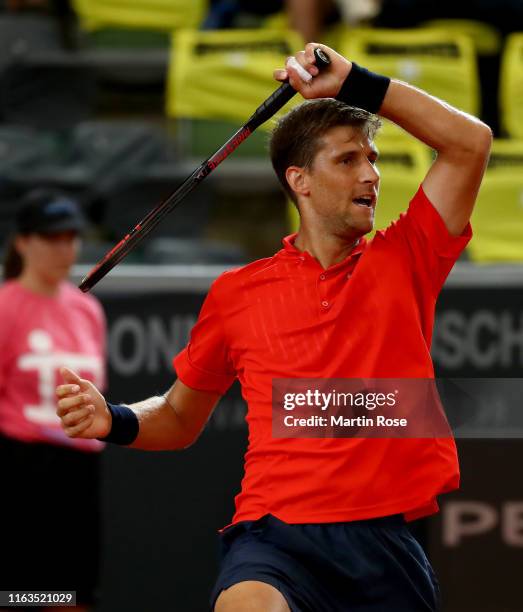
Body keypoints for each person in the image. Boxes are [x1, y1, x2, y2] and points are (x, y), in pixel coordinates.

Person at [55, 43, 492, 611]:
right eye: (348, 160)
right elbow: (180, 416)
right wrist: (111, 419)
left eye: (373, 159)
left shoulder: (408, 258)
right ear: (300, 181)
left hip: (384, 545)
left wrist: (354, 81)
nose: (372, 175)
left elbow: (470, 143)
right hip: (275, 537)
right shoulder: (237, 294)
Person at [1, 189, 106, 612]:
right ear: (23, 242)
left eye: (71, 237)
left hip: (78, 472)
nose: (65, 248)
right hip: (19, 471)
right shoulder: (5, 306)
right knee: (17, 597)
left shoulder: (89, 309)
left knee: (74, 596)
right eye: (52, 238)